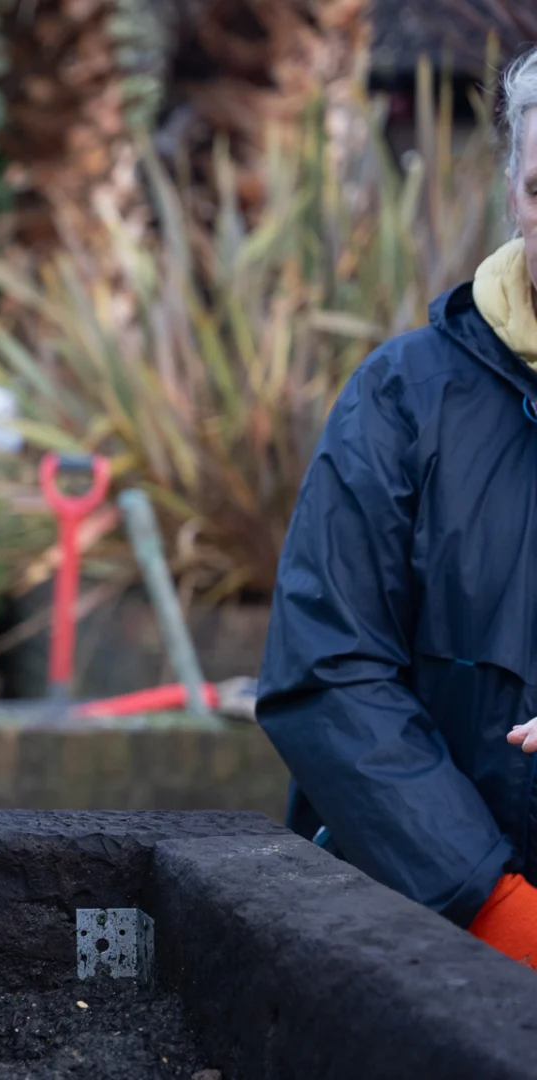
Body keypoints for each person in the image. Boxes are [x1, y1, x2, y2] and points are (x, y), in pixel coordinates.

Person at [258, 49, 537, 967]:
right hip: (436, 946)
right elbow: (327, 669)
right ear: (510, 192)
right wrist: (494, 907)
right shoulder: (403, 396)